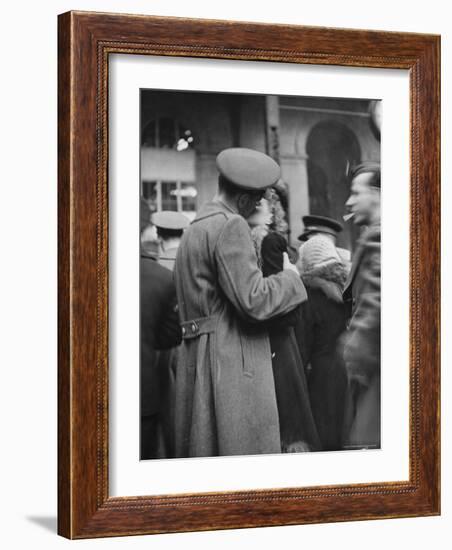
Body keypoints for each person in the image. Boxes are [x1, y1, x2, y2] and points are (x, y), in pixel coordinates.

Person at [173, 147, 306, 458]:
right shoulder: (230, 225)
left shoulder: (194, 228)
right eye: (257, 200)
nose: (257, 206)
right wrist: (291, 277)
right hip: (230, 361)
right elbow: (253, 300)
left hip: (197, 358)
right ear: (246, 199)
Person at [249, 193, 320, 452]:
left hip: (276, 338)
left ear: (271, 212)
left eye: (261, 202)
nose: (254, 205)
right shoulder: (254, 239)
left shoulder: (269, 241)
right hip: (274, 338)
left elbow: (283, 304)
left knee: (286, 415)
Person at [296, 235, 349, 451]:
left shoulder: (309, 295)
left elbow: (302, 348)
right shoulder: (346, 291)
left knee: (323, 439)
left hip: (319, 378)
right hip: (345, 371)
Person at [342, 161, 381, 449]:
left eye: (357, 193)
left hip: (376, 370)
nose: (349, 201)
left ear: (378, 194)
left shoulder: (380, 236)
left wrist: (355, 347)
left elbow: (377, 301)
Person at [140, 201, 182, 459]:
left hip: (153, 355)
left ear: (158, 234)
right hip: (178, 342)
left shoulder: (157, 265)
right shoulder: (188, 262)